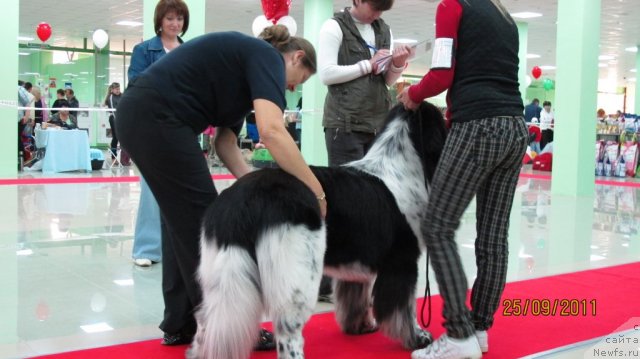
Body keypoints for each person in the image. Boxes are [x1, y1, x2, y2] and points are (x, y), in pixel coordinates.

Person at [116, 25, 324, 349]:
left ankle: (180, 323)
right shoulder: (266, 57)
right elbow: (272, 131)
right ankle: (224, 328)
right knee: (206, 227)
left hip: (144, 116)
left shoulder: (244, 70)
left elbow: (225, 143)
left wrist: (258, 186)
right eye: (300, 78)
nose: (294, 87)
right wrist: (315, 190)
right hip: (157, 118)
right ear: (296, 57)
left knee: (181, 224)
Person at [397, 0, 528, 358]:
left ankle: (459, 333)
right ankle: (481, 327)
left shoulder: (452, 6)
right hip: (515, 128)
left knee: (438, 226)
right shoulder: (504, 17)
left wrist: (412, 94)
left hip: (477, 126)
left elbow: (442, 75)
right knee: (493, 234)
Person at [317, 0, 411, 300]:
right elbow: (326, 74)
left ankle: (358, 278)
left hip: (376, 125)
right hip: (343, 125)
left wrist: (396, 64)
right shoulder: (334, 27)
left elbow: (386, 81)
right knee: (342, 206)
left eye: (383, 9)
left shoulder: (383, 29)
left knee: (373, 207)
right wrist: (368, 64)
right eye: (375, 7)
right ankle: (326, 281)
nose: (378, 14)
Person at [127, 0, 189, 268]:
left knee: (181, 189)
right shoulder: (144, 50)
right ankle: (147, 247)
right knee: (151, 188)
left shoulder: (189, 50)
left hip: (182, 126)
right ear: (160, 21)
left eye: (179, 19)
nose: (175, 24)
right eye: (170, 19)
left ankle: (178, 247)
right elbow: (137, 83)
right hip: (150, 125)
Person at [104, 82, 122, 160]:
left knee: (123, 137)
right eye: (116, 89)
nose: (118, 90)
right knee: (116, 137)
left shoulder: (122, 95)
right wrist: (117, 120)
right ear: (112, 89)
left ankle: (124, 158)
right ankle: (113, 157)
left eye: (119, 88)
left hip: (122, 118)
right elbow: (113, 109)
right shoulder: (110, 97)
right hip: (114, 118)